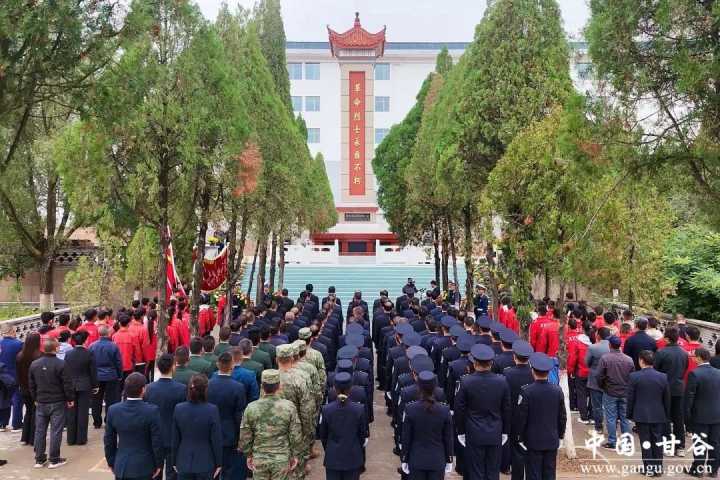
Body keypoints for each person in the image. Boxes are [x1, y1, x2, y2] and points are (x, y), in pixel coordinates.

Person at [454, 344, 510, 480]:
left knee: (475, 472)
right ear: (491, 363)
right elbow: (507, 409)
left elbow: (459, 409)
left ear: (475, 362)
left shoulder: (466, 381)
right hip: (495, 432)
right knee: (492, 471)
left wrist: (460, 431)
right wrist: (505, 431)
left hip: (474, 433)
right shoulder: (502, 381)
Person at [239, 369, 302, 480]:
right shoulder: (289, 407)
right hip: (281, 458)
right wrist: (295, 454)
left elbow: (245, 435)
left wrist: (248, 454)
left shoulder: (251, 408)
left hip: (259, 458)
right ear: (279, 386)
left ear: (262, 386)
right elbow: (295, 435)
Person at [515, 352, 567, 480]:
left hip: (533, 440)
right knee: (549, 473)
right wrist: (560, 435)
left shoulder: (527, 391)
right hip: (551, 439)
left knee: (533, 473)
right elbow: (562, 416)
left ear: (532, 371)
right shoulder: (557, 390)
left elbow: (522, 418)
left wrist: (520, 437)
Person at [104, 372, 163, 480]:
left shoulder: (113, 410)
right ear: (143, 389)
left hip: (122, 466)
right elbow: (157, 441)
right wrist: (159, 463)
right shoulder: (152, 411)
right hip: (145, 466)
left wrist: (111, 461)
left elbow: (109, 440)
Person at [29, 338, 73, 469]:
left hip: (41, 401)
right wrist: (70, 399)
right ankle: (54, 459)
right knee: (56, 431)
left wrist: (35, 398)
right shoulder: (61, 364)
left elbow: (31, 384)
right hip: (57, 401)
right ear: (57, 349)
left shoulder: (34, 364)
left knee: (40, 430)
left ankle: (39, 459)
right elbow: (67, 384)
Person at [400, 371, 453, 480]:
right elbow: (448, 438)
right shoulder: (444, 410)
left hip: (416, 459)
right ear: (435, 388)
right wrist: (449, 459)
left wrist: (404, 458)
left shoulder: (410, 409)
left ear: (419, 387)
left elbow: (406, 437)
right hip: (437, 460)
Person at [144, 353, 188, 480]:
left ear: (158, 368)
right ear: (173, 367)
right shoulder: (181, 389)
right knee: (172, 473)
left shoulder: (149, 389)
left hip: (154, 437)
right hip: (173, 436)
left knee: (155, 472)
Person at [627, 350, 670, 477]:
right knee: (657, 441)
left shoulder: (634, 376)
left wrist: (629, 414)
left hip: (641, 414)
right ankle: (658, 467)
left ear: (641, 361)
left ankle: (649, 468)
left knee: (645, 442)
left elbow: (631, 398)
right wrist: (666, 415)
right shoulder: (663, 377)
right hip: (659, 414)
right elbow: (666, 398)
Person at [172, 374, 223, 480]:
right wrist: (219, 462)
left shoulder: (179, 408)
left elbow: (175, 438)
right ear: (205, 389)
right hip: (206, 462)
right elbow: (216, 439)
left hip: (183, 460)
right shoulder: (212, 410)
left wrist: (174, 461)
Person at [319, 371, 368, 480]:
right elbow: (362, 436)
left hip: (333, 458)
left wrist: (331, 449)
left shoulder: (326, 410)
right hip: (352, 458)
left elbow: (323, 436)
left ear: (334, 389)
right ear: (351, 389)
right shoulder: (359, 410)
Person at [208, 352, 247, 480]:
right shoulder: (238, 388)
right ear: (232, 365)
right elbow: (238, 415)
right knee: (229, 470)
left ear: (218, 365)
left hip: (210, 432)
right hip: (230, 434)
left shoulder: (207, 385)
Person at [685, 347, 720, 477]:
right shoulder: (718, 372)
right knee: (715, 443)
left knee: (700, 443)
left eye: (694, 356)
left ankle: (698, 470)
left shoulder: (695, 374)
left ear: (699, 358)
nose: (693, 359)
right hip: (717, 415)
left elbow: (689, 398)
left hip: (700, 415)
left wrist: (687, 417)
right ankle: (713, 470)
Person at [654, 326, 689, 457]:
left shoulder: (661, 353)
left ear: (667, 338)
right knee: (678, 418)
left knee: (665, 417)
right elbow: (684, 368)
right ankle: (680, 446)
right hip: (679, 387)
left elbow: (656, 370)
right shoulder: (684, 353)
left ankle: (668, 445)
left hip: (665, 387)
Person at [596, 335, 634, 449]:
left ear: (609, 345)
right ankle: (626, 442)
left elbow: (599, 376)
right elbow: (632, 376)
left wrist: (602, 386)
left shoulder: (605, 358)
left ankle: (612, 441)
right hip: (624, 392)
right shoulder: (629, 359)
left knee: (611, 417)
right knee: (624, 418)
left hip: (610, 391)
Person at [64, 330, 98, 445]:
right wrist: (95, 385)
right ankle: (81, 438)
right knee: (83, 412)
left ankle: (70, 438)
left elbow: (66, 372)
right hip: (85, 385)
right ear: (85, 340)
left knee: (71, 412)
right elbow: (93, 372)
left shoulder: (68, 354)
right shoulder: (89, 353)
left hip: (71, 385)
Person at [89, 326, 123, 429]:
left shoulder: (92, 346)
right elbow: (118, 362)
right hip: (111, 375)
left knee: (96, 399)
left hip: (97, 376)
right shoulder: (113, 346)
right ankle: (109, 420)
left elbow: (89, 362)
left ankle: (97, 421)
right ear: (108, 334)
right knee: (111, 399)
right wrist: (119, 374)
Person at [16, 332, 41, 444]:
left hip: (24, 388)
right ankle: (32, 438)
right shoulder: (39, 356)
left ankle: (25, 437)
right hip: (36, 389)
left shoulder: (20, 355)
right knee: (36, 412)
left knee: (28, 412)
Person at [585, 327, 611, 433]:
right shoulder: (612, 347)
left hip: (595, 378)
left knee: (597, 405)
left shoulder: (593, 348)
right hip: (609, 379)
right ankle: (610, 427)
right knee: (609, 405)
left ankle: (598, 427)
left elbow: (587, 362)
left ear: (598, 335)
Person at [0, 325, 23, 432]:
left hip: (1, 376)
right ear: (12, 331)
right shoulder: (18, 344)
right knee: (17, 399)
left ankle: (2, 424)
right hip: (14, 375)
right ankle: (16, 424)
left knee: (3, 399)